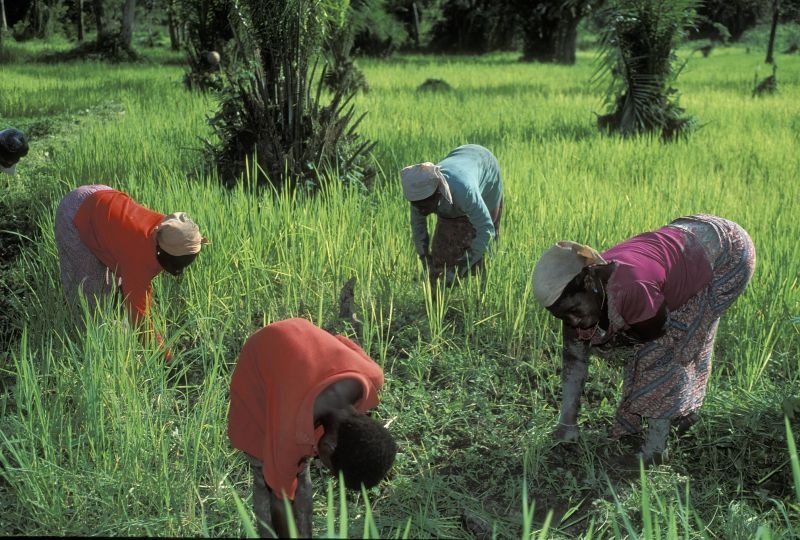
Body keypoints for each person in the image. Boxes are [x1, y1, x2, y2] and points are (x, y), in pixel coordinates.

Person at [532, 214, 755, 464]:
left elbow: (656, 334)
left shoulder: (630, 288)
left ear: (588, 282)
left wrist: (618, 341)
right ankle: (679, 414)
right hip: (689, 238)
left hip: (727, 254)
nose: (572, 321)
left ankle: (656, 450)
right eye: (563, 316)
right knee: (652, 345)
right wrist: (566, 425)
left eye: (574, 311)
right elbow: (574, 358)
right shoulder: (584, 293)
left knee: (664, 352)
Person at [227, 317, 397, 538]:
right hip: (259, 358)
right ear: (328, 446)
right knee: (268, 472)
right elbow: (280, 504)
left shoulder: (372, 375)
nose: (322, 465)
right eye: (330, 469)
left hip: (300, 332)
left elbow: (341, 341)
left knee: (294, 469)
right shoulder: (286, 436)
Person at [54, 185, 208, 359]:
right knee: (88, 296)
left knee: (117, 289)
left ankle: (114, 329)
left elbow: (139, 291)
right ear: (162, 252)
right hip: (77, 211)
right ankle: (85, 350)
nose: (179, 271)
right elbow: (139, 319)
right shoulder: (140, 255)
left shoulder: (170, 231)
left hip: (104, 201)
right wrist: (167, 359)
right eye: (177, 264)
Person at [400, 143, 503, 290]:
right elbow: (418, 227)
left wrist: (462, 266)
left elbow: (486, 229)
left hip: (485, 166)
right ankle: (441, 299)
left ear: (438, 193)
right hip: (461, 159)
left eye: (424, 205)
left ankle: (484, 294)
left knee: (482, 250)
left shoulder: (464, 190)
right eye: (416, 205)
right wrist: (424, 256)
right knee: (442, 256)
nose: (420, 210)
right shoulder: (418, 193)